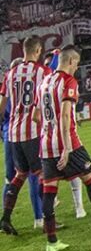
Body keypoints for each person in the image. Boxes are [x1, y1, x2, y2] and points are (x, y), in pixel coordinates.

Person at [35, 46, 91, 251]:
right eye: (76, 64)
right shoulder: (68, 82)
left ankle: (51, 242)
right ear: (69, 62)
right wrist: (66, 148)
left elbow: (38, 116)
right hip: (69, 144)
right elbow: (66, 116)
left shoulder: (44, 82)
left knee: (49, 192)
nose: (76, 68)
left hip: (46, 145)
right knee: (90, 178)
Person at [0, 42, 47, 236]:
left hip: (13, 134)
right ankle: (48, 221)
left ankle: (5, 218)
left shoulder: (10, 74)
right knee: (43, 175)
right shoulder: (41, 72)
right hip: (33, 132)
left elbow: (1, 105)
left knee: (19, 175)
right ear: (37, 51)